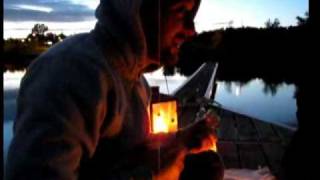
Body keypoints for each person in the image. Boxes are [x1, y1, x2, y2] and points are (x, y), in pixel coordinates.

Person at [6, 0, 223, 179]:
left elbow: (125, 158)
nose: (191, 30)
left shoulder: (137, 83)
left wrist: (181, 140)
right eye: (180, 11)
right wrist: (164, 164)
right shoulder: (70, 74)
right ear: (135, 10)